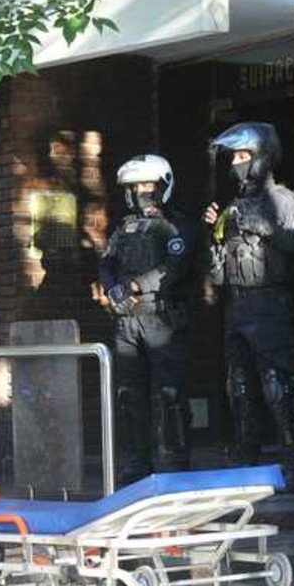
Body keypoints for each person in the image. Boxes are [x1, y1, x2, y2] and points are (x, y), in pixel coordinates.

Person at [204, 122, 294, 491]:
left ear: (262, 157)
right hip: (236, 305)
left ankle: (293, 462)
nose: (235, 163)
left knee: (275, 384)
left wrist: (265, 226)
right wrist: (215, 235)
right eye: (233, 157)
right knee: (238, 385)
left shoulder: (283, 199)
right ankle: (245, 458)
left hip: (270, 303)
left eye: (242, 156)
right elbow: (219, 268)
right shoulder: (234, 207)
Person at [98, 154, 199, 482]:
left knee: (169, 393)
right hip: (127, 321)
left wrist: (139, 284)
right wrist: (112, 288)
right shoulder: (124, 227)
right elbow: (107, 263)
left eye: (148, 185)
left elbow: (176, 266)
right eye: (135, 186)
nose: (142, 191)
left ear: (162, 186)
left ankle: (174, 458)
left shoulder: (176, 225)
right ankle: (136, 460)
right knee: (129, 394)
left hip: (162, 319)